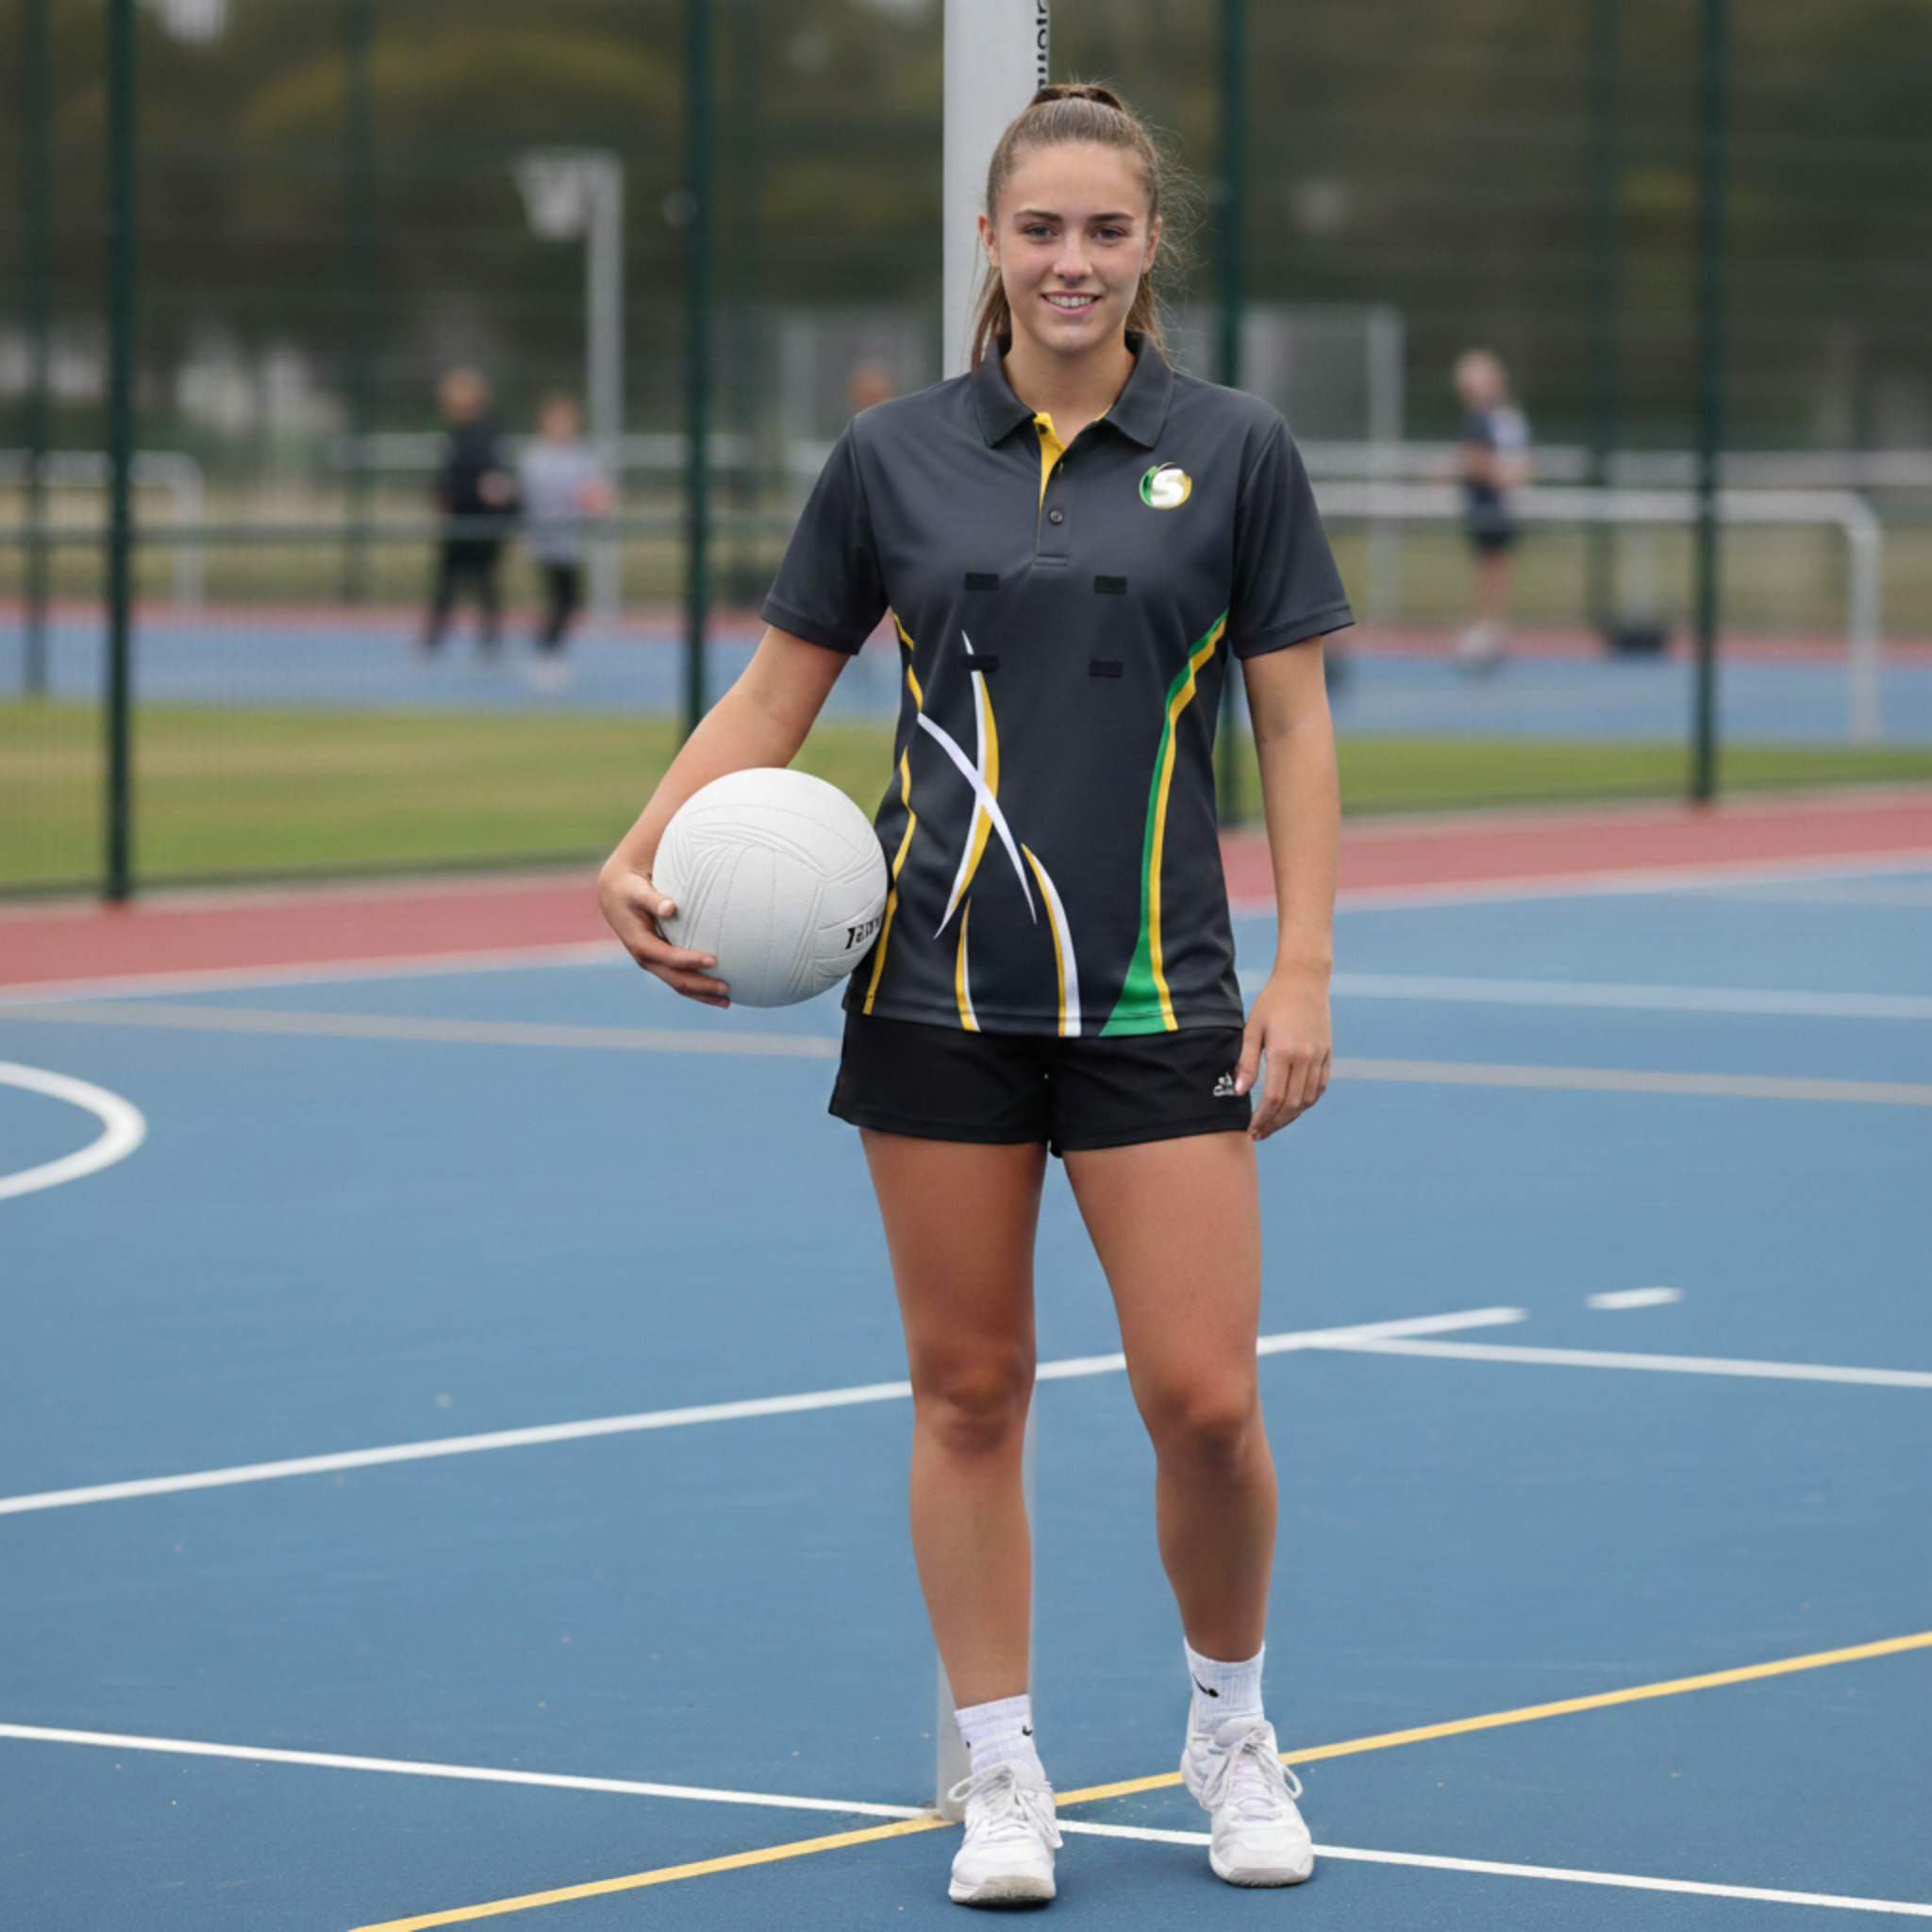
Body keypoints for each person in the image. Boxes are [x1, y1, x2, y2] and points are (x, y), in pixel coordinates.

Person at [599, 83, 1350, 1907]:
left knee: (1206, 1403)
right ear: (992, 248)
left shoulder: (1233, 449)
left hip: (1162, 998)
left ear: (1146, 245)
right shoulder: (889, 459)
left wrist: (1308, 962)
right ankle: (1001, 1773)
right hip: (930, 995)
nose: (1070, 261)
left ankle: (1228, 1725)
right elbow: (775, 695)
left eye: (1104, 230)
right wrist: (637, 843)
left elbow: (1292, 718)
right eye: (1040, 231)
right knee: (966, 1391)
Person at [516, 392, 612, 689]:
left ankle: (549, 650)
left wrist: (596, 500)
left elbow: (594, 495)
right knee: (560, 599)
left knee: (566, 600)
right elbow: (533, 497)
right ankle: (546, 652)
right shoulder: (535, 458)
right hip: (546, 541)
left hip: (571, 542)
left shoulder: (581, 457)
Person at [419, 367, 515, 658]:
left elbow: (485, 480)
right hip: (462, 520)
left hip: (477, 521)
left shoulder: (481, 434)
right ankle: (440, 638)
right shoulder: (460, 432)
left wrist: (450, 495)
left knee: (479, 579)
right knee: (452, 581)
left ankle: (487, 639)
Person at [1453, 347, 1530, 670]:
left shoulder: (1486, 417)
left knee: (1492, 566)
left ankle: (1487, 631)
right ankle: (1488, 629)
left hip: (1494, 505)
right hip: (1494, 504)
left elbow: (1483, 461)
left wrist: (1464, 467)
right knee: (1492, 567)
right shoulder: (1504, 416)